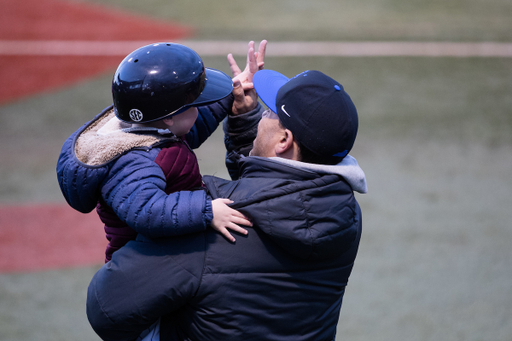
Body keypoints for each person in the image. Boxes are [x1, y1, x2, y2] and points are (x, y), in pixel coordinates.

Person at [86, 41, 367, 341]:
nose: (263, 115)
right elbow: (274, 195)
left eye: (270, 112)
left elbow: (107, 307)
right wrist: (244, 121)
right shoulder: (344, 215)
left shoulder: (209, 219)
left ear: (283, 141)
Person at [56, 42, 253, 263]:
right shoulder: (132, 162)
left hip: (163, 255)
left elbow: (191, 124)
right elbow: (147, 210)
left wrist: (233, 93)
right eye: (196, 104)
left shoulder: (154, 128)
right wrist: (206, 210)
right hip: (142, 269)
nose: (199, 109)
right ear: (169, 117)